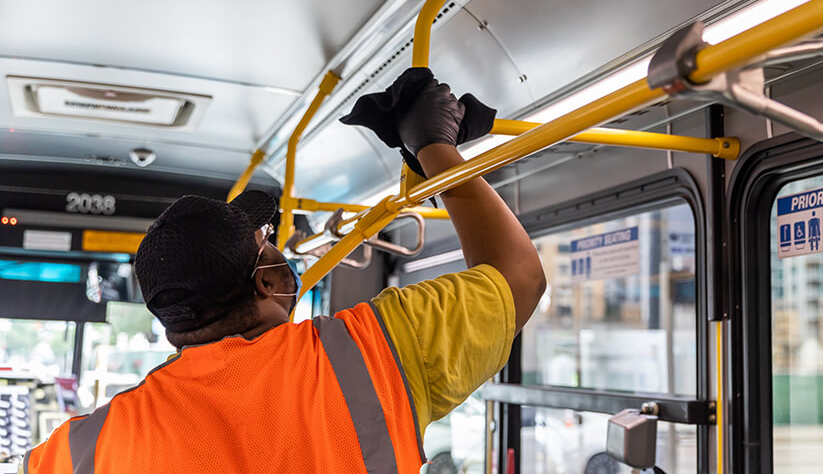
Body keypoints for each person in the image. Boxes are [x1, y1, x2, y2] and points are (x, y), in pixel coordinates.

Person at [21, 75, 547, 473]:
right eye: (267, 244)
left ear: (171, 321)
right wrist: (435, 145)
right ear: (269, 281)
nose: (277, 250)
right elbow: (517, 274)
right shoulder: (370, 356)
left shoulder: (84, 450)